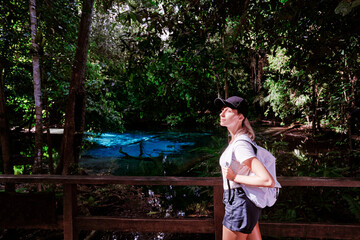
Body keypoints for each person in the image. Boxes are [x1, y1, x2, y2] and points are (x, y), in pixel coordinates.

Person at [214, 96, 275, 240]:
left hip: (239, 204)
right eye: (222, 110)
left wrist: (235, 177)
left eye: (228, 111)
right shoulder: (237, 140)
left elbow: (267, 180)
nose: (221, 114)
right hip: (245, 203)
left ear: (240, 116)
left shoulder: (241, 144)